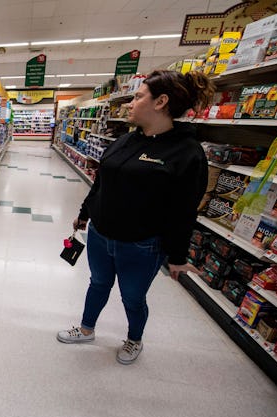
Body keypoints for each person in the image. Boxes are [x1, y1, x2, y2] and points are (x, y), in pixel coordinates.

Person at [57, 70, 215, 364]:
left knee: (132, 296)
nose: (130, 103)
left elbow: (183, 210)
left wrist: (178, 257)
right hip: (100, 235)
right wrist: (84, 213)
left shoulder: (187, 153)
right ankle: (86, 328)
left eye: (138, 96)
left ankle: (134, 340)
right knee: (98, 283)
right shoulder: (125, 141)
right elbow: (102, 182)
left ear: (161, 102)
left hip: (142, 245)